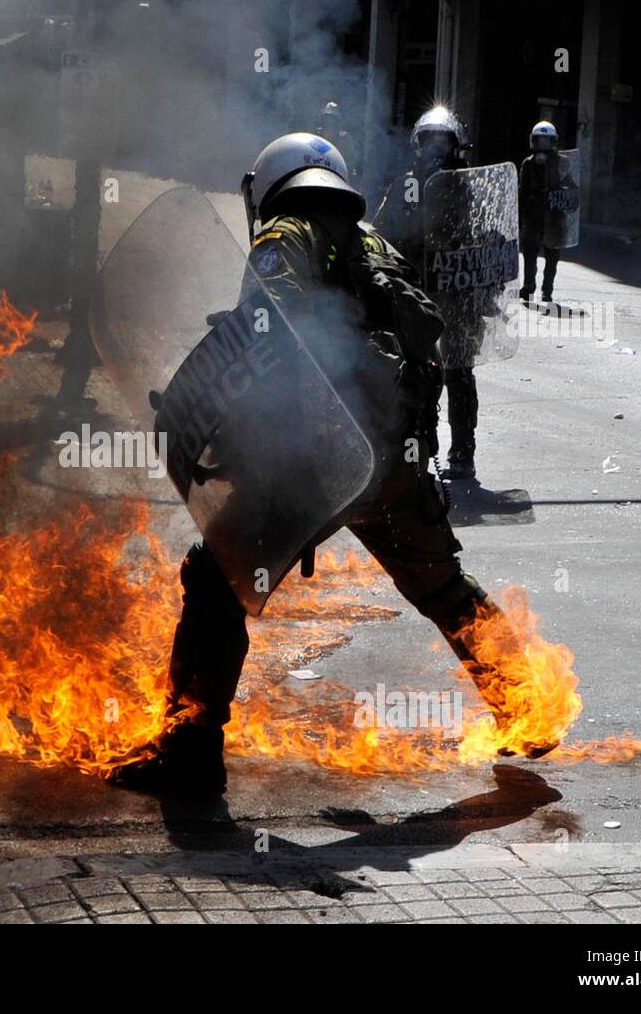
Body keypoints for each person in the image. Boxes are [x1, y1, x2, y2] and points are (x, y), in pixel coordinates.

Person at [109, 133, 561, 795]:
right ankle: (526, 708)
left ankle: (190, 750)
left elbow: (276, 323)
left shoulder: (285, 231)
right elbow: (422, 342)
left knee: (213, 578)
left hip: (320, 456)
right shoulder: (372, 238)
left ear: (268, 184)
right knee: (443, 588)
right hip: (395, 457)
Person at [374, 107, 480, 480]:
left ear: (455, 144)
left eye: (443, 139)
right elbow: (381, 235)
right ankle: (422, 448)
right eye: (429, 139)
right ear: (418, 144)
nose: (436, 146)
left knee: (460, 373)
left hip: (457, 294)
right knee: (420, 374)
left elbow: (486, 236)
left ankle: (463, 452)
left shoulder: (468, 185)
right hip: (418, 296)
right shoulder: (405, 186)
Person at [518, 121, 571, 304]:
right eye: (539, 141)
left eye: (546, 142)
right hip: (533, 217)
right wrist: (519, 220)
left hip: (554, 217)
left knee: (552, 258)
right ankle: (528, 287)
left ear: (553, 142)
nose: (542, 145)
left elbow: (571, 188)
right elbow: (522, 191)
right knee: (530, 255)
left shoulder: (562, 162)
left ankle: (547, 290)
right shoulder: (528, 164)